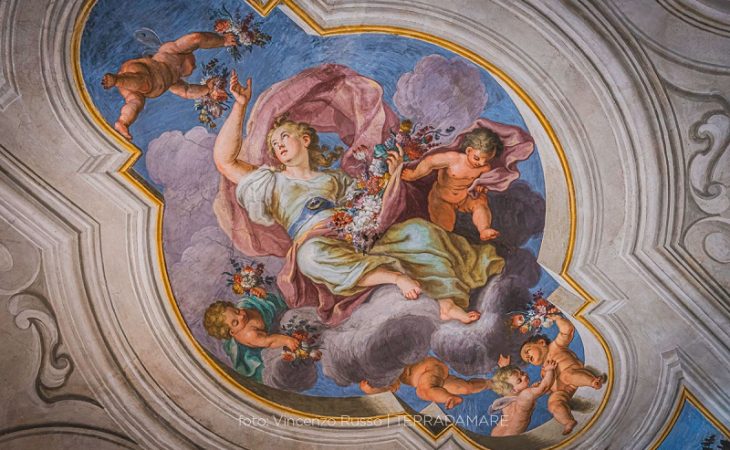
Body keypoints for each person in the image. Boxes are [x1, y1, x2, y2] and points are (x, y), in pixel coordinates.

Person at [212, 71, 505, 324]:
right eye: (274, 144)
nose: (278, 146)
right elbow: (225, 162)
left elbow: (370, 201)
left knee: (419, 232)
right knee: (309, 257)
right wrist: (240, 106)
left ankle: (447, 300)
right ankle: (394, 277)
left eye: (284, 137)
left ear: (305, 139)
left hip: (353, 235)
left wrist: (392, 174)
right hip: (317, 242)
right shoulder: (271, 181)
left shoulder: (334, 179)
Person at [102, 31, 237, 140]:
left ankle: (123, 122)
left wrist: (206, 89)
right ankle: (117, 80)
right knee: (145, 82)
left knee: (135, 103)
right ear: (187, 54)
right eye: (194, 63)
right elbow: (196, 38)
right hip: (140, 72)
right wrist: (222, 40)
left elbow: (187, 91)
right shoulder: (170, 51)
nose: (195, 67)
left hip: (135, 88)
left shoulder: (174, 82)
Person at [401, 128, 502, 241]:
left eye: (486, 160)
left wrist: (482, 184)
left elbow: (486, 180)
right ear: (469, 150)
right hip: (442, 198)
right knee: (445, 231)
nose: (481, 163)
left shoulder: (484, 168)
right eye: (477, 158)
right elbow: (429, 162)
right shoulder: (453, 159)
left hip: (464, 197)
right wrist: (414, 175)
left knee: (480, 203)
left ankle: (484, 229)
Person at [519, 315, 605, 435]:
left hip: (573, 374)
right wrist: (543, 387)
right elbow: (549, 385)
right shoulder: (543, 370)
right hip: (564, 391)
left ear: (541, 342)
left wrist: (558, 319)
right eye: (528, 360)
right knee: (553, 402)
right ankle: (568, 421)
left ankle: (592, 381)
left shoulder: (555, 346)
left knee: (566, 375)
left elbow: (567, 331)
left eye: (528, 351)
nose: (528, 357)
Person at [203, 295, 299, 382]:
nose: (241, 316)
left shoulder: (244, 306)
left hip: (269, 322)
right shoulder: (250, 335)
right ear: (232, 332)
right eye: (235, 322)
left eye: (237, 311)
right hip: (264, 340)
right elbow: (269, 341)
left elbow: (253, 301)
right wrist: (287, 340)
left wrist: (259, 295)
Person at [360, 357, 492, 409]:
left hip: (428, 369)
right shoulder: (391, 379)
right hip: (433, 374)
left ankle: (449, 398)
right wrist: (373, 389)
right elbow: (391, 387)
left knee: (423, 391)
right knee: (464, 388)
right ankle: (489, 383)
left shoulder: (388, 365)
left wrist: (373, 388)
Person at [488, 359, 557, 437]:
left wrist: (505, 368)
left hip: (495, 433)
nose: (524, 376)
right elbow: (544, 387)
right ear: (514, 390)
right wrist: (550, 370)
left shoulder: (507, 397)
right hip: (512, 435)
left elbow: (505, 385)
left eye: (522, 373)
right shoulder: (526, 394)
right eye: (519, 380)